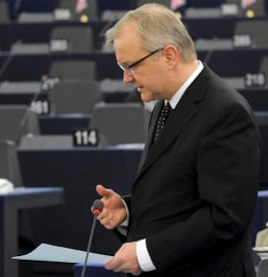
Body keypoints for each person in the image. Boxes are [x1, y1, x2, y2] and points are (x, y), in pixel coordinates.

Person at [95, 3, 261, 276]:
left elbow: (224, 218)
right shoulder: (165, 102)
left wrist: (145, 254)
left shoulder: (225, 112)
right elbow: (182, 195)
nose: (125, 78)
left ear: (169, 56)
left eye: (130, 66)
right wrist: (128, 209)